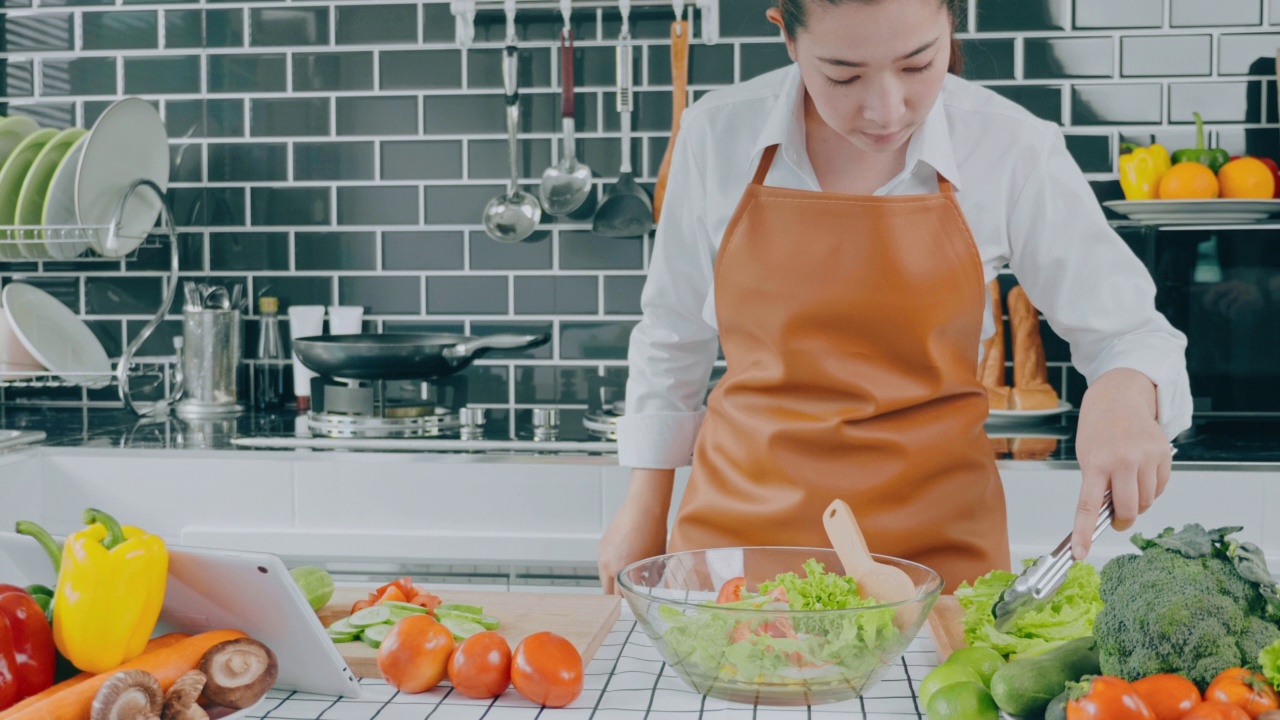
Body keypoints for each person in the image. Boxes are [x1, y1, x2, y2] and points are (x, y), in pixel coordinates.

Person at [597, 0, 1192, 595]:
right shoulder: (716, 133)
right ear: (787, 36)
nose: (886, 109)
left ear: (952, 26)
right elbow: (673, 333)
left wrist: (1122, 396)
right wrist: (643, 513)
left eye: (917, 64)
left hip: (940, 561)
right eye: (843, 74)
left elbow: (1128, 332)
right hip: (738, 556)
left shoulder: (1011, 146)